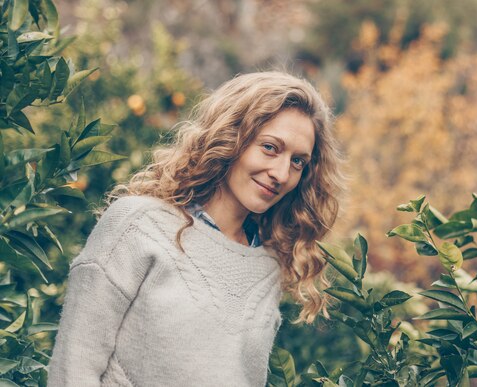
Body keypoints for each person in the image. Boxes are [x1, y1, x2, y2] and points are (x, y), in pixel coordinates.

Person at [47, 71, 345, 386]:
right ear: (232, 137)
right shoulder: (138, 225)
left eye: (298, 162)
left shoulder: (267, 265)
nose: (282, 173)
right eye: (270, 148)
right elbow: (73, 369)